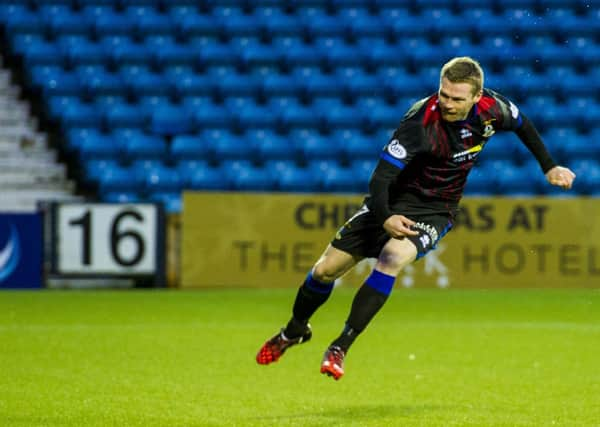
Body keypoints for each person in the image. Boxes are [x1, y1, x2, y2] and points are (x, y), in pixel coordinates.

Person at [255, 56, 576, 380]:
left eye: (456, 98)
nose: (447, 103)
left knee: (392, 257)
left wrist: (549, 165)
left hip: (436, 211)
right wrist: (385, 217)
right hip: (390, 201)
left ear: (477, 97)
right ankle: (294, 331)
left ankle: (340, 346)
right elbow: (380, 179)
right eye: (443, 94)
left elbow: (524, 126)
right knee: (324, 271)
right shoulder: (420, 123)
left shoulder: (495, 109)